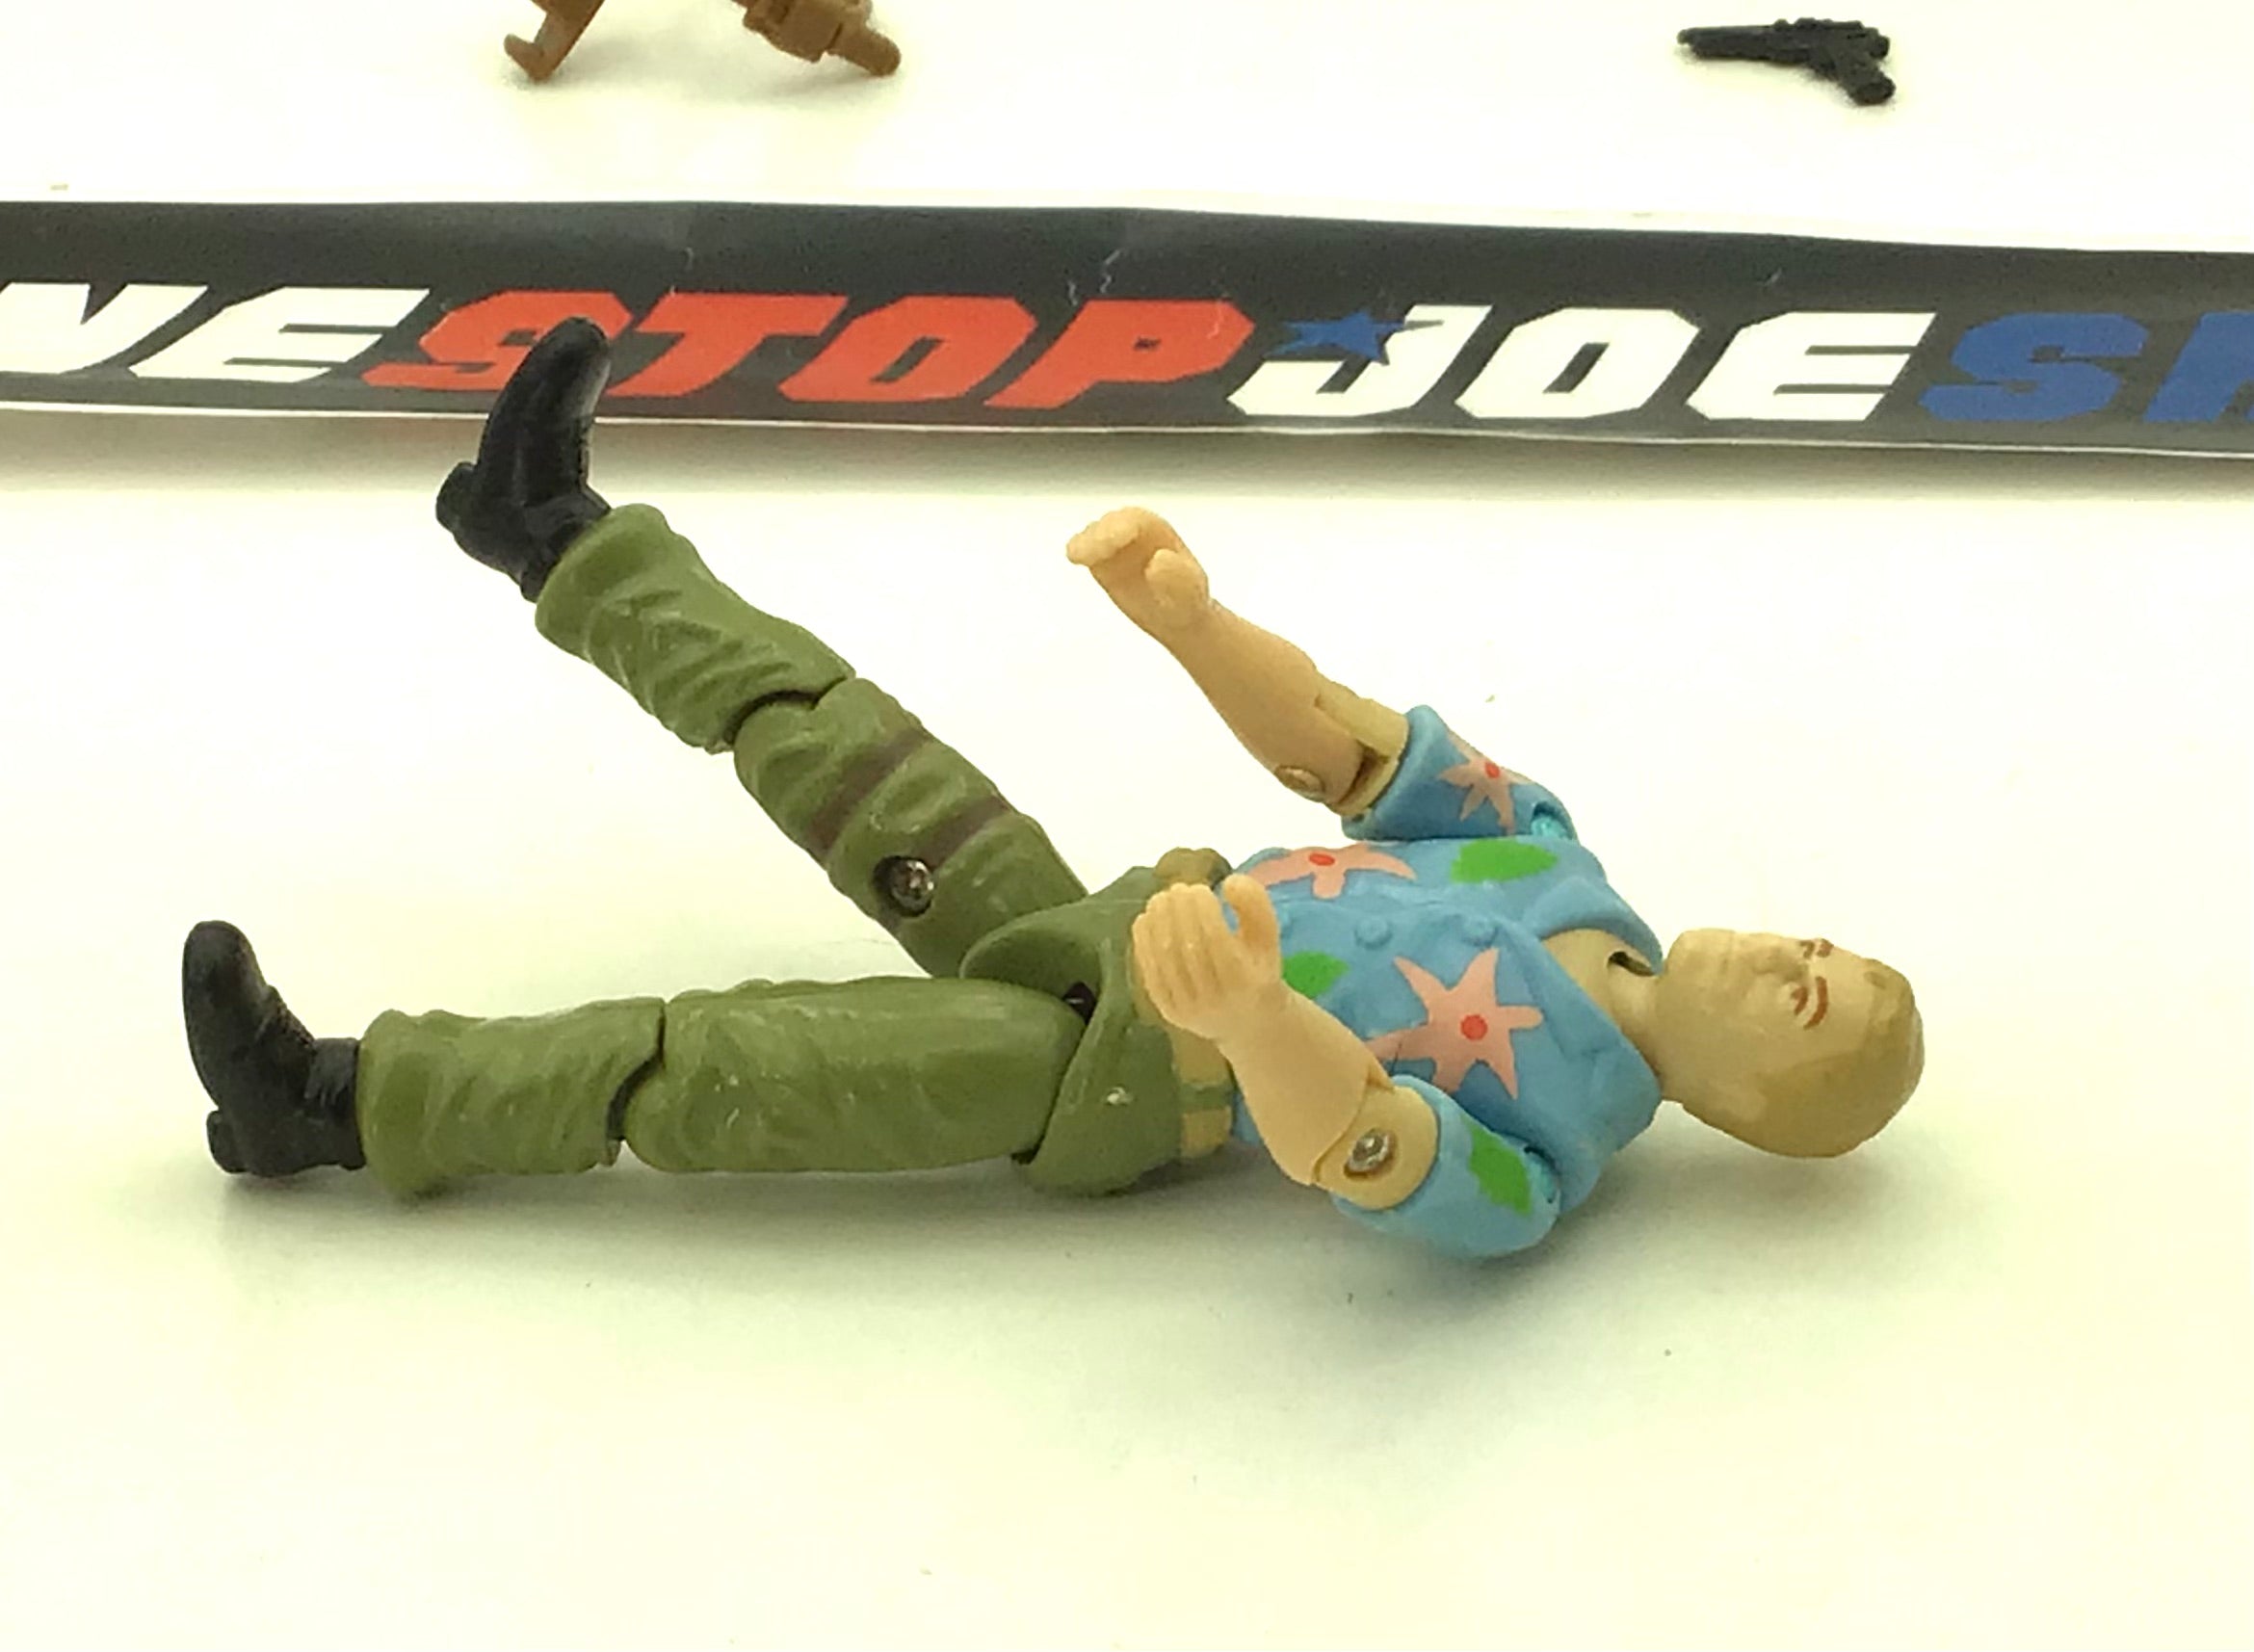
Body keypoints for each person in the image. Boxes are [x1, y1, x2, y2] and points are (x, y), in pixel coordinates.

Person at [182, 322, 1924, 1259]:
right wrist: (1192, 623)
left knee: (716, 1065)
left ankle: (334, 1101)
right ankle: (553, 533)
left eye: (1817, 1009)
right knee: (832, 731)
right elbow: (1345, 749)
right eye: (1829, 951)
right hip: (1112, 918)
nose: (1803, 959)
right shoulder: (1548, 855)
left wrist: (1253, 1019)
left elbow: (1364, 1147)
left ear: (1754, 1114)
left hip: (1105, 1076)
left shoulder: (1548, 1158)